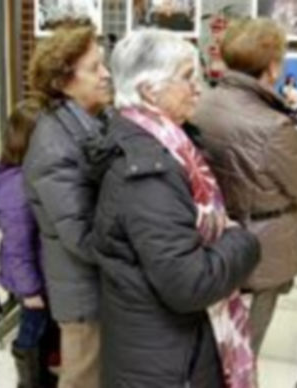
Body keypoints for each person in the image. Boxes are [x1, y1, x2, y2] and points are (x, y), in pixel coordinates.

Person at [91, 29, 260, 387]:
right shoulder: (148, 172)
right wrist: (242, 241)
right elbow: (189, 284)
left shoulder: (167, 145)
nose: (198, 87)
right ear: (149, 90)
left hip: (164, 349)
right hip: (164, 362)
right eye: (186, 77)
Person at [191, 18, 297, 356]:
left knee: (215, 340)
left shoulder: (201, 105)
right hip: (259, 249)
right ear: (273, 67)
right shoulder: (274, 127)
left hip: (211, 237)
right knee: (245, 350)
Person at [22, 19, 112, 388]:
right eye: (94, 68)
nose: (106, 75)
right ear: (62, 82)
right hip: (82, 292)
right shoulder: (55, 146)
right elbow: (81, 235)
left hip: (96, 284)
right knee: (81, 376)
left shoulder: (92, 122)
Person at [0, 99, 59, 388]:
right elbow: (18, 245)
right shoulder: (18, 185)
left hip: (40, 275)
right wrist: (30, 289)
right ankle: (29, 381)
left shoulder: (26, 175)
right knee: (32, 330)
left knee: (44, 331)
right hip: (32, 280)